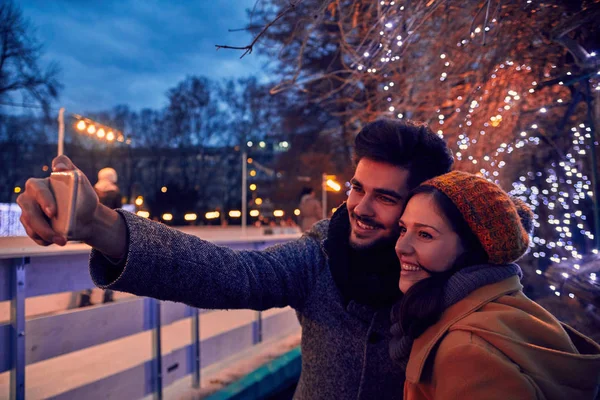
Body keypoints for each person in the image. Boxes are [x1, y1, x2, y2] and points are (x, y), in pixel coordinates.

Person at [17, 119, 453, 400]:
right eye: (357, 188)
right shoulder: (321, 254)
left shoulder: (456, 278)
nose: (359, 207)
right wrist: (101, 226)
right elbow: (235, 275)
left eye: (385, 197)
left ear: (420, 203)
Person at [390, 171, 600, 399]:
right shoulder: (507, 309)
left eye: (425, 234)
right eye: (403, 229)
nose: (401, 247)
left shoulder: (467, 354)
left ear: (472, 249)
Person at [78, 167, 123, 307]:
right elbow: (119, 214)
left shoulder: (92, 191)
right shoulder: (115, 193)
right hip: (109, 233)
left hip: (90, 233)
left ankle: (86, 295)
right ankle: (108, 294)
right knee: (110, 263)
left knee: (91, 265)